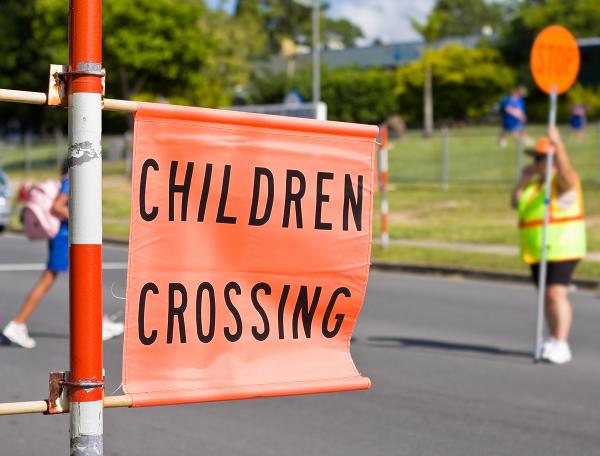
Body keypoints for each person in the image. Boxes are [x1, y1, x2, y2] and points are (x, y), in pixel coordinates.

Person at [2, 160, 123, 348]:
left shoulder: (67, 179)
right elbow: (57, 206)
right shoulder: (71, 180)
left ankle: (95, 324)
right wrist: (82, 218)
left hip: (65, 237)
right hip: (64, 237)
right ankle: (17, 324)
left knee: (83, 280)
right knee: (50, 280)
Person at [511, 126, 586, 364]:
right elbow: (515, 203)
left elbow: (568, 175)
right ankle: (554, 339)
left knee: (556, 293)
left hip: (563, 247)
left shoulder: (562, 184)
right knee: (547, 296)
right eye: (535, 158)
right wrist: (523, 179)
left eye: (541, 157)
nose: (536, 162)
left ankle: (562, 343)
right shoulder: (534, 187)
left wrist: (559, 146)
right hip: (537, 251)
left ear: (551, 160)